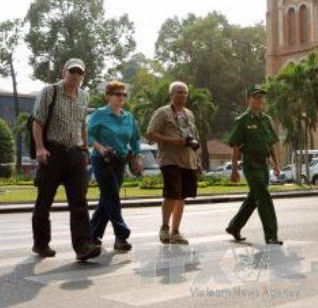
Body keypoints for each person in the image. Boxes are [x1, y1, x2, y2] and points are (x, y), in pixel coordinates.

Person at [31, 58, 101, 261]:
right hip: (52, 152)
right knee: (45, 200)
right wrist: (40, 148)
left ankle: (83, 245)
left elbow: (82, 126)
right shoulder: (49, 91)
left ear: (83, 76)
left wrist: (85, 150)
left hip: (76, 153)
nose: (76, 75)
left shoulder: (84, 96)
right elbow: (38, 121)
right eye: (72, 71)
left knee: (79, 200)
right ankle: (41, 243)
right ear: (63, 72)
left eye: (79, 72)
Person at [88, 81, 142, 252]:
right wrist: (100, 148)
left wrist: (137, 156)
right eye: (118, 94)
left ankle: (92, 234)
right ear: (108, 96)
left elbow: (134, 139)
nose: (122, 97)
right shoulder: (99, 114)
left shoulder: (129, 117)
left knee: (107, 198)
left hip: (120, 161)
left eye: (124, 94)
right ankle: (121, 235)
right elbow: (88, 136)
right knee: (112, 196)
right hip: (101, 160)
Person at [225, 84, 283, 245]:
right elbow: (236, 147)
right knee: (264, 196)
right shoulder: (242, 121)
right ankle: (271, 235)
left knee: (254, 198)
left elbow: (271, 144)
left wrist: (276, 164)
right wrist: (234, 170)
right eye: (256, 97)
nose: (259, 100)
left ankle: (234, 227)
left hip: (264, 165)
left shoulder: (266, 120)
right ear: (248, 100)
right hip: (250, 164)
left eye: (261, 97)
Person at [146, 81, 202, 245]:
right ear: (171, 95)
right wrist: (172, 140)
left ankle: (176, 231)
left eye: (185, 92)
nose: (182, 95)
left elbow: (195, 136)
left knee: (182, 196)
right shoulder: (162, 112)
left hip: (188, 160)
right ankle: (164, 228)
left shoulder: (189, 114)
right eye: (178, 92)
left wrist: (197, 160)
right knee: (172, 193)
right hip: (170, 159)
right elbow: (150, 133)